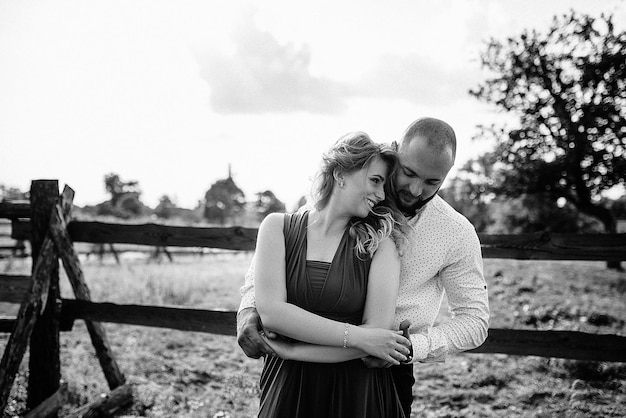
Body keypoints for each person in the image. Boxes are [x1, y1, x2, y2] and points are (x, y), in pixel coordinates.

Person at [239, 117, 490, 417]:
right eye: (408, 173)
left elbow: (475, 320)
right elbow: (284, 254)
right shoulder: (351, 193)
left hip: (383, 370)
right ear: (397, 153)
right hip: (303, 350)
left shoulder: (454, 232)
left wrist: (412, 347)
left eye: (431, 182)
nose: (415, 188)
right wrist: (248, 309)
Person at [250, 131, 412, 417]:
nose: (381, 195)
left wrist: (292, 351)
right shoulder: (276, 228)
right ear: (341, 173)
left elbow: (377, 337)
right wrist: (360, 338)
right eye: (375, 180)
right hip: (287, 387)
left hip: (357, 393)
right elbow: (272, 313)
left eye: (384, 185)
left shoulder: (382, 243)